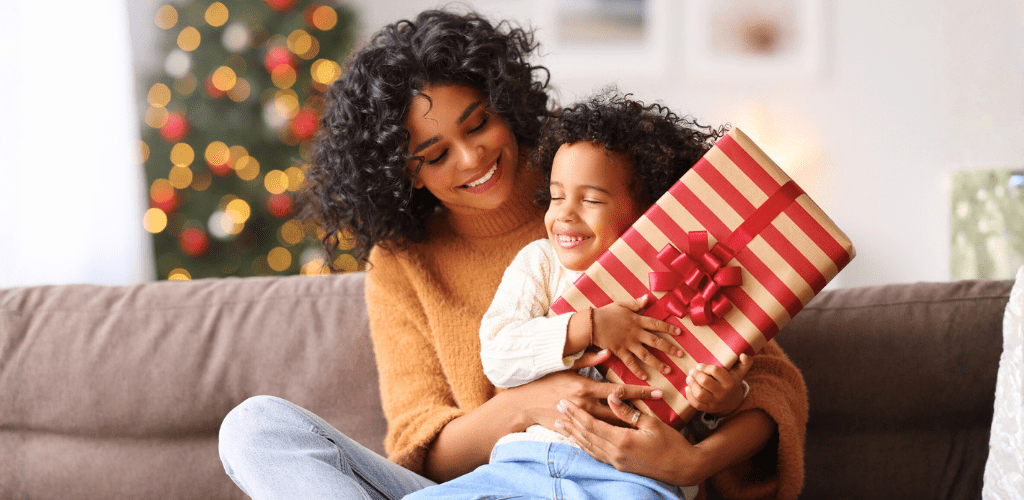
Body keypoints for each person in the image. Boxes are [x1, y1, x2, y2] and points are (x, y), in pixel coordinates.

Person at [217, 9, 808, 500]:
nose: (471, 159)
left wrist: (693, 465)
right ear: (403, 175)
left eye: (478, 125)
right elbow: (424, 452)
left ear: (506, 104)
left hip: (620, 481)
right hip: (490, 483)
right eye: (435, 155)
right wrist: (535, 403)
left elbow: (771, 382)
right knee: (255, 428)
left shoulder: (606, 203)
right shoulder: (403, 265)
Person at [403, 91, 755, 500]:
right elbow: (498, 356)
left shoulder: (681, 279)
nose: (565, 214)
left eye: (590, 200)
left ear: (648, 213)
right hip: (524, 463)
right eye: (555, 196)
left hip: (630, 476)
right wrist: (586, 326)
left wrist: (723, 403)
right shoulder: (541, 263)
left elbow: (711, 384)